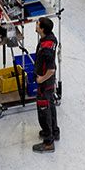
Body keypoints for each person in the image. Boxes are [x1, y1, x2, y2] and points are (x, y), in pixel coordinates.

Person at [32, 17, 60, 153]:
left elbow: (51, 69)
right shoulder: (51, 38)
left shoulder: (46, 50)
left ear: (42, 29)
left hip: (45, 83)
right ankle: (54, 131)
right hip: (49, 83)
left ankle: (48, 142)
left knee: (43, 111)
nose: (36, 25)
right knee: (51, 105)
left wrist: (41, 79)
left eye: (37, 24)